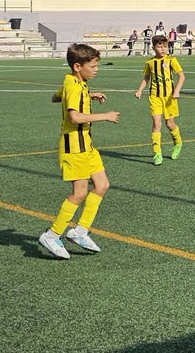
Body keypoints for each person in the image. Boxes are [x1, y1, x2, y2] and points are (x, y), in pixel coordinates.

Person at [38, 43, 121, 259]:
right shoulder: (74, 86)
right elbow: (75, 117)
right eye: (92, 66)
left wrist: (88, 96)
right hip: (74, 147)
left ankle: (80, 230)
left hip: (87, 145)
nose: (96, 69)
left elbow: (55, 97)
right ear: (78, 66)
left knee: (102, 185)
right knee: (80, 193)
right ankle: (52, 234)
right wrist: (105, 116)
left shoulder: (74, 81)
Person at [134, 35, 186, 166]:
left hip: (169, 97)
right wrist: (140, 90)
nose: (163, 49)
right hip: (154, 97)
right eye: (159, 46)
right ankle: (157, 153)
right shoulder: (149, 63)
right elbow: (146, 78)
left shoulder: (171, 60)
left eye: (165, 46)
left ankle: (178, 143)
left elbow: (181, 76)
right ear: (153, 47)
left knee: (170, 124)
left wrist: (177, 90)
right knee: (157, 124)